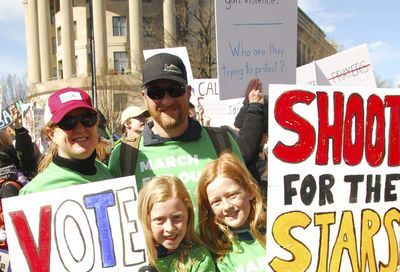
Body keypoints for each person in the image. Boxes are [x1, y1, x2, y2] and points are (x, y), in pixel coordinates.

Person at [108, 53, 242, 207]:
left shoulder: (223, 142)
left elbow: (245, 207)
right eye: (156, 93)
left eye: (175, 90)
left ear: (188, 92)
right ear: (144, 97)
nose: (167, 100)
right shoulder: (125, 154)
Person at [19, 87, 113, 195]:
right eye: (68, 122)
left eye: (87, 119)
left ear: (96, 124)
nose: (80, 129)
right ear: (51, 134)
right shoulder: (34, 192)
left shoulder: (109, 174)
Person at [197, 152, 266, 272]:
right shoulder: (220, 253)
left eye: (232, 195)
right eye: (216, 201)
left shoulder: (278, 230)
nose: (227, 206)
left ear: (250, 191)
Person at [137, 176, 216, 272]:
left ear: (189, 215)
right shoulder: (136, 257)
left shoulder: (199, 258)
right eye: (159, 219)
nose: (169, 228)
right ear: (146, 220)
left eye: (177, 217)